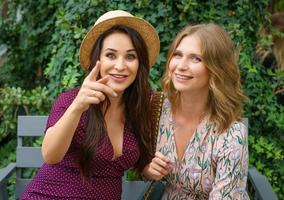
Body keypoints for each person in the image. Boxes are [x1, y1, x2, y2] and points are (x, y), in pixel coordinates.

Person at [22, 10, 160, 199]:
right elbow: (50, 155)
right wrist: (77, 107)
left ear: (139, 63)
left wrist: (149, 170)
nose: (120, 66)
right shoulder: (71, 100)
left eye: (130, 57)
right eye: (111, 55)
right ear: (98, 60)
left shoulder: (141, 108)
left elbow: (141, 166)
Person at [142, 23, 249, 199]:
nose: (181, 66)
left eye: (196, 58)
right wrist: (148, 169)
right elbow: (135, 164)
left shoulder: (231, 134)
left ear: (217, 69)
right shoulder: (157, 108)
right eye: (178, 55)